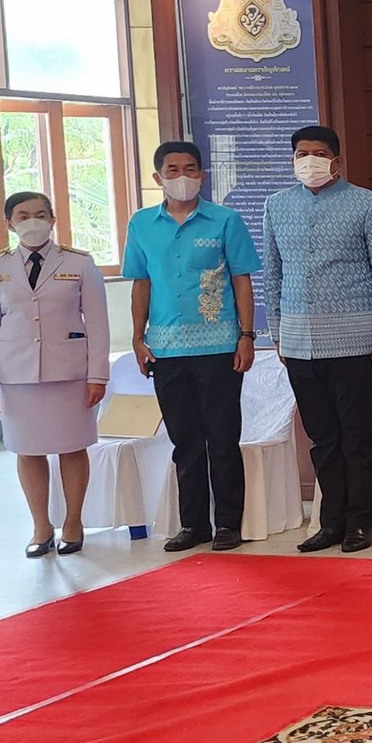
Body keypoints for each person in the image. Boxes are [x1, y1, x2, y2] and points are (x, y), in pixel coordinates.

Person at [261, 124, 372, 554]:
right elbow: (273, 275)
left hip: (357, 343)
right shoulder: (276, 206)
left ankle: (361, 522)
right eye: (302, 153)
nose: (310, 161)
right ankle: (331, 522)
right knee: (322, 439)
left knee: (356, 434)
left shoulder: (368, 205)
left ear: (337, 161)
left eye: (319, 153)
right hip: (299, 345)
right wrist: (278, 334)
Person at [122, 140, 260, 553]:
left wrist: (246, 336)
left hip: (219, 349)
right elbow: (140, 283)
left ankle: (229, 525)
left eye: (190, 169)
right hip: (165, 350)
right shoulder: (142, 224)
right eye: (173, 169)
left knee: (221, 439)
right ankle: (193, 524)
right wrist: (137, 337)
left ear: (203, 174)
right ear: (157, 177)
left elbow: (242, 281)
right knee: (185, 443)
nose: (182, 176)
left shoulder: (225, 220)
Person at [0, 192, 110, 558]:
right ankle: (40, 526)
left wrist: (98, 374)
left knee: (72, 446)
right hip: (17, 376)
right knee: (27, 450)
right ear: (9, 223)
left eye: (40, 214)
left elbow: (98, 323)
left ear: (53, 219)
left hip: (69, 372)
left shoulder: (79, 263)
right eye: (23, 215)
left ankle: (73, 521)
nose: (32, 221)